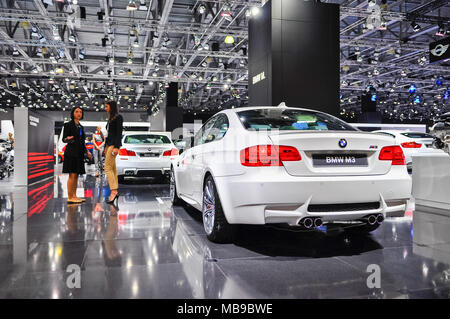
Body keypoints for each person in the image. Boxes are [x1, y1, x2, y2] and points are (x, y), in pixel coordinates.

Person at [62, 107, 93, 204]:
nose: (79, 113)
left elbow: (82, 142)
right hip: (71, 152)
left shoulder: (81, 127)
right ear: (73, 113)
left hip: (79, 153)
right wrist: (68, 138)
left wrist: (87, 151)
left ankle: (74, 196)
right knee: (72, 175)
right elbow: (64, 139)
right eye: (76, 111)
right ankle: (70, 197)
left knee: (76, 175)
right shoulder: (68, 125)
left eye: (80, 112)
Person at [104, 100, 123, 204]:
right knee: (112, 168)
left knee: (107, 168)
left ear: (111, 107)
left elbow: (119, 133)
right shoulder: (110, 119)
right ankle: (115, 190)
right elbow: (109, 134)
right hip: (109, 145)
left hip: (113, 145)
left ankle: (114, 191)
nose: (105, 108)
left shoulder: (118, 117)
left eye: (106, 106)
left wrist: (116, 147)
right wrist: (105, 147)